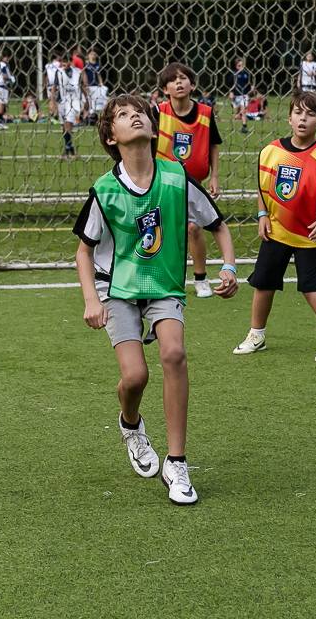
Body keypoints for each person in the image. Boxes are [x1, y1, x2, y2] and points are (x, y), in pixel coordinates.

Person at [74, 94, 239, 505]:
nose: (135, 117)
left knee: (174, 354)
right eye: (123, 115)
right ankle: (131, 425)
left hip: (164, 286)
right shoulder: (105, 190)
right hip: (117, 289)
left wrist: (229, 267)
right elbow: (83, 251)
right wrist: (91, 299)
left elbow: (218, 225)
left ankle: (177, 463)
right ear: (111, 137)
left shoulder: (177, 177)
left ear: (152, 128)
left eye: (140, 113)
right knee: (135, 378)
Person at [232, 90, 316, 363]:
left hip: (309, 233)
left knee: (311, 287)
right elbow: (263, 187)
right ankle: (256, 335)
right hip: (275, 230)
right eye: (298, 113)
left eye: (310, 115)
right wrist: (262, 215)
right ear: (289, 118)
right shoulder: (271, 152)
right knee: (263, 282)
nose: (303, 119)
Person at [156, 62, 224, 299]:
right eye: (172, 80)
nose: (178, 82)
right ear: (165, 89)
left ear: (192, 84)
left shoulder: (205, 113)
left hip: (194, 183)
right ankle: (166, 277)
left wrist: (214, 176)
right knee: (163, 229)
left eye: (183, 78)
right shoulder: (158, 112)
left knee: (194, 228)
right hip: (163, 182)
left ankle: (201, 278)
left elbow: (213, 144)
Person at [49, 54, 85, 160]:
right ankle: (70, 150)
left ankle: (66, 152)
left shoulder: (77, 72)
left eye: (67, 61)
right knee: (64, 127)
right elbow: (54, 86)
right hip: (62, 101)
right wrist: (52, 99)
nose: (65, 64)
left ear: (71, 62)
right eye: (64, 62)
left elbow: (82, 86)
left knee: (69, 124)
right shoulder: (58, 72)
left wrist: (85, 99)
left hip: (73, 101)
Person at [227, 56, 252, 134]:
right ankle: (235, 108)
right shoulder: (234, 73)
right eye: (239, 65)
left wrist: (251, 89)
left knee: (243, 111)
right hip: (236, 95)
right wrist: (231, 92)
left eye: (242, 65)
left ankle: (243, 127)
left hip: (243, 95)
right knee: (237, 112)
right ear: (236, 66)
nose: (241, 67)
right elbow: (230, 83)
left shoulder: (246, 74)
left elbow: (248, 83)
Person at [0, 52, 16, 128]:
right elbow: (4, 76)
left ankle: (0, 122)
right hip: (1, 86)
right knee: (1, 104)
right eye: (5, 57)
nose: (7, 58)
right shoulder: (3, 65)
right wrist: (11, 79)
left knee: (1, 103)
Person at [84, 50, 107, 123]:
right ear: (88, 55)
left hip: (96, 85)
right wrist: (86, 84)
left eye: (94, 54)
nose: (93, 56)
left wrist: (101, 83)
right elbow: (84, 74)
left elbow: (99, 74)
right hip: (89, 85)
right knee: (89, 101)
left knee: (96, 100)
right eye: (91, 54)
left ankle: (96, 117)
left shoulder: (97, 64)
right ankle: (86, 117)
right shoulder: (86, 64)